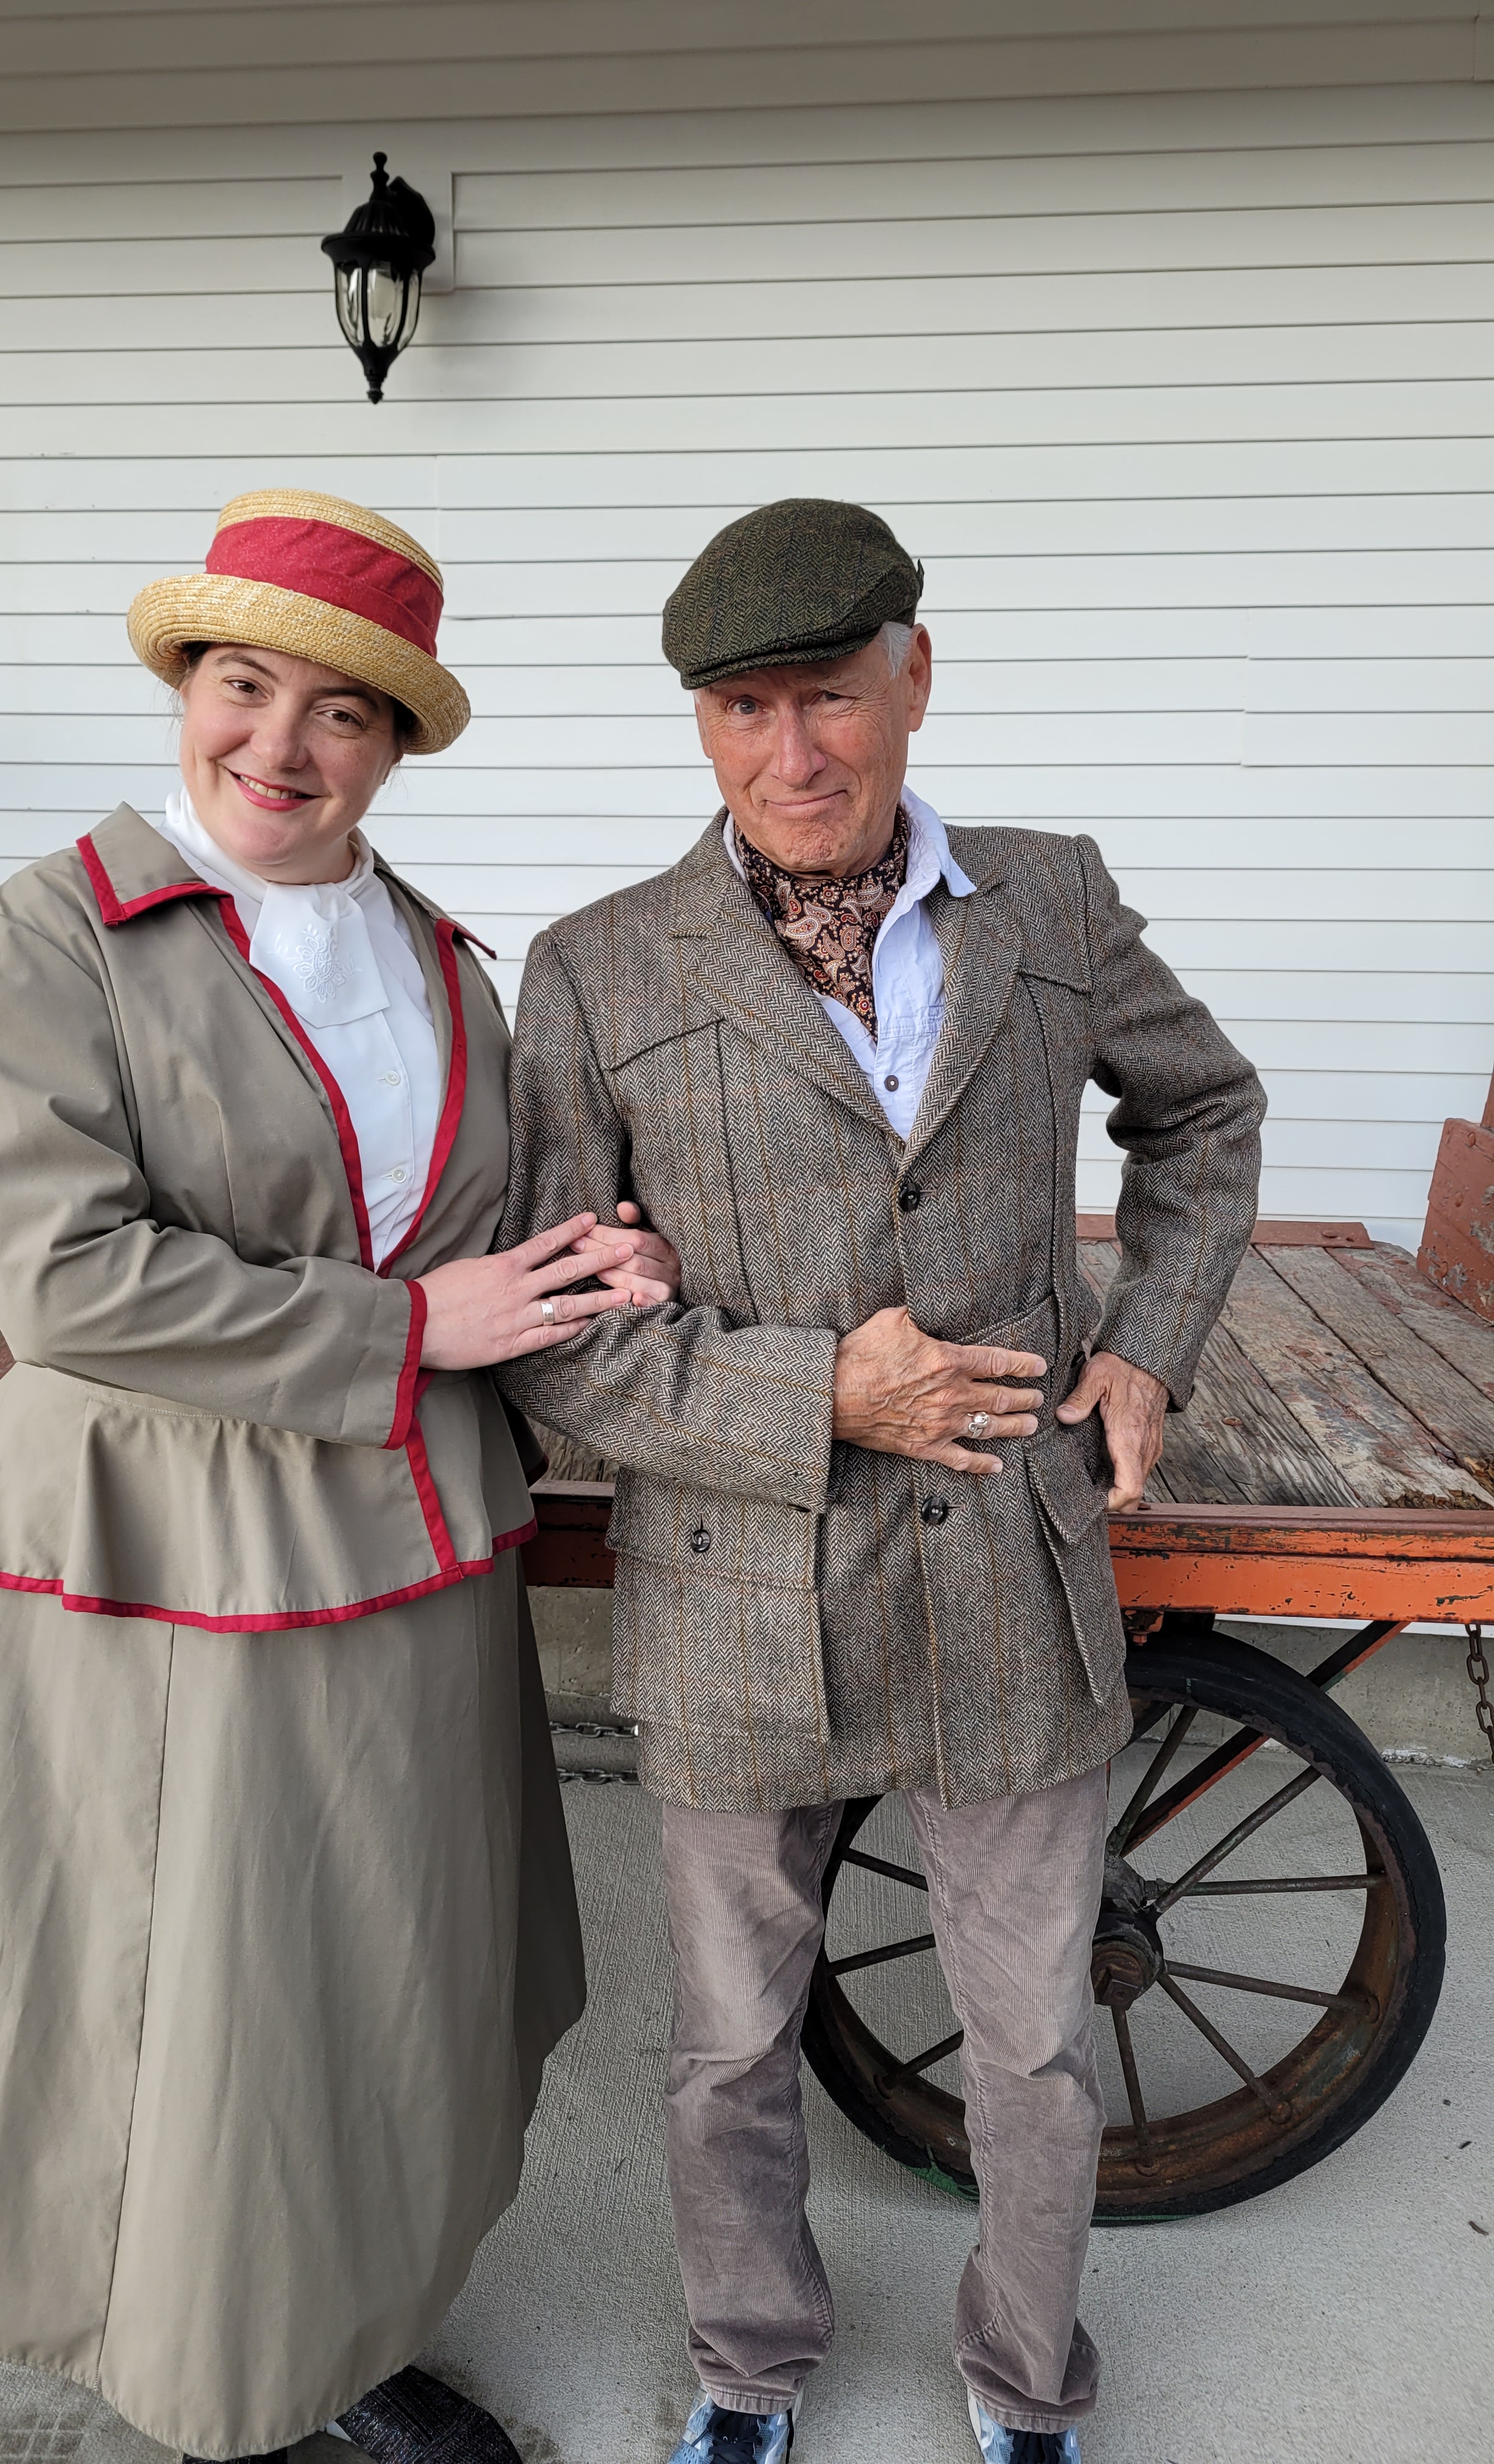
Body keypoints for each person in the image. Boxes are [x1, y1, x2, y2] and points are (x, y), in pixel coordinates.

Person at [0, 490, 680, 2464]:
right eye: (241, 687)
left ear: (395, 743)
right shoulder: (48, 939)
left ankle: (346, 2310)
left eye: (343, 711)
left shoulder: (441, 960)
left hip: (408, 1527)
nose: (281, 745)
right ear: (184, 687)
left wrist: (591, 1259)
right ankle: (231, 2369)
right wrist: (414, 1330)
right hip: (179, 1545)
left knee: (385, 1968)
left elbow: (468, 1234)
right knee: (218, 1981)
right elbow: (69, 1283)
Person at [495, 501, 1265, 2464]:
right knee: (729, 2045)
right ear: (700, 723)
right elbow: (559, 1335)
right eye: (742, 710)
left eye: (830, 695)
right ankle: (748, 2367)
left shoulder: (1052, 901)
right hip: (740, 1589)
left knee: (1034, 2041)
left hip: (1010, 1563)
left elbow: (1204, 1112)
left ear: (916, 675)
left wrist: (1150, 1346)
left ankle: (1027, 2382)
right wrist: (813, 1392)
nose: (792, 753)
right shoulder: (594, 971)